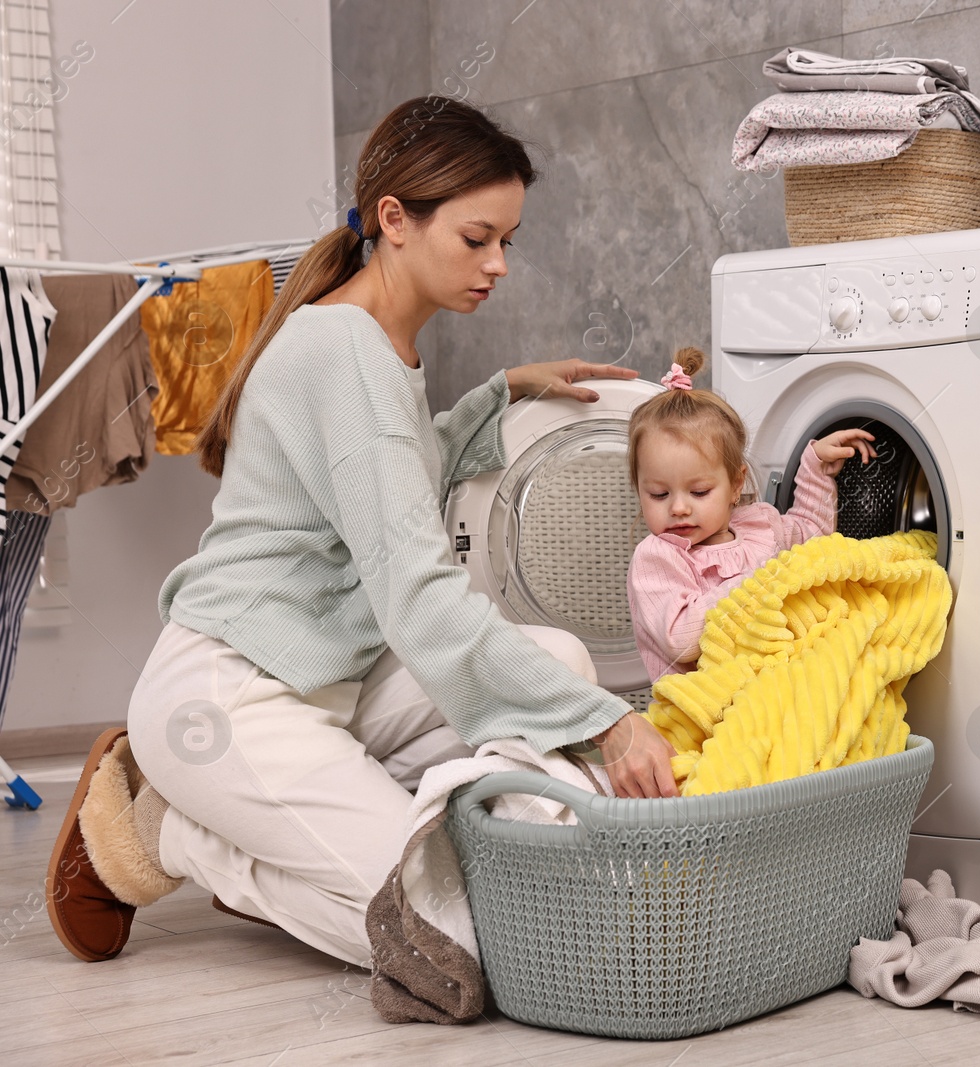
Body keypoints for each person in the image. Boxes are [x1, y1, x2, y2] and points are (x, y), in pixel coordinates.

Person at [46, 96, 678, 970]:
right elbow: (420, 601)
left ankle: (357, 835)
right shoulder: (346, 352)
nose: (498, 264)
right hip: (231, 696)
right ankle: (172, 829)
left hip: (325, 678)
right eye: (476, 237)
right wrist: (611, 727)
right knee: (460, 937)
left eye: (508, 240)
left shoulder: (373, 344)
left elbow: (382, 475)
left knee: (559, 665)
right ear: (395, 220)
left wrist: (500, 394)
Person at [625, 346, 876, 681]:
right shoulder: (657, 559)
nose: (679, 508)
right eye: (658, 494)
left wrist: (817, 466)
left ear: (734, 484)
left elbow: (814, 537)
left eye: (699, 492)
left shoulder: (760, 525)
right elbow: (681, 641)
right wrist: (757, 581)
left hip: (775, 689)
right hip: (702, 712)